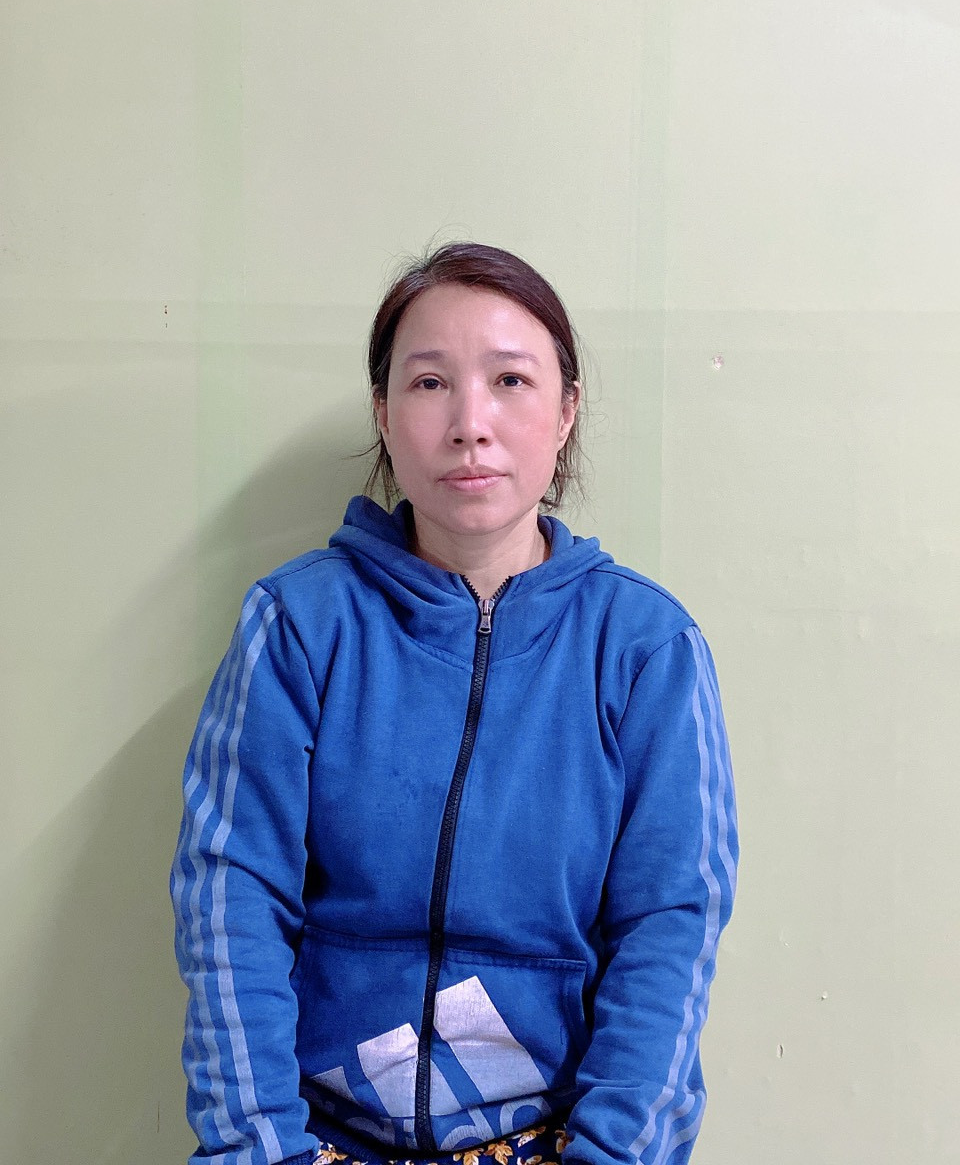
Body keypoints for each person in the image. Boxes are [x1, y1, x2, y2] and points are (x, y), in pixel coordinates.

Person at [170, 242, 738, 1165]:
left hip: (555, 1142)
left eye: (510, 380)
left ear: (566, 411)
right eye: (430, 383)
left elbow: (670, 929)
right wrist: (258, 1150)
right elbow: (229, 900)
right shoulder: (299, 624)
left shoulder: (646, 648)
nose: (471, 424)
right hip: (317, 1141)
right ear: (384, 413)